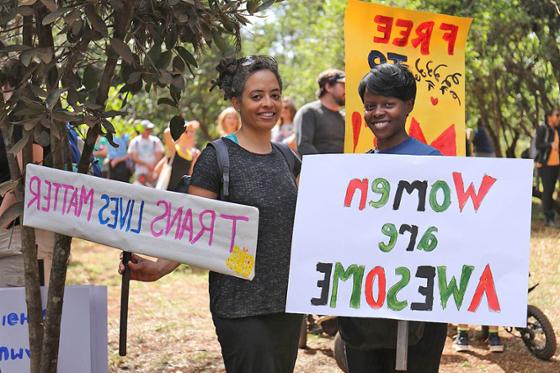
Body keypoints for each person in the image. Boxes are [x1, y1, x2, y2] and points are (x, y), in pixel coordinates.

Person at [119, 55, 303, 373]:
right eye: (256, 96)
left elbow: (310, 222)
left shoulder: (288, 157)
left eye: (275, 94)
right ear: (236, 101)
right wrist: (160, 267)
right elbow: (194, 227)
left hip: (287, 303)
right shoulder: (216, 157)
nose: (268, 104)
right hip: (238, 305)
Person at [337, 63, 445, 373]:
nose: (378, 113)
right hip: (364, 310)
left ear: (408, 105)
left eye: (388, 104)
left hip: (419, 313)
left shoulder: (432, 162)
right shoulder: (355, 171)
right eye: (370, 106)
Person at [295, 68, 345, 155]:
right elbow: (304, 146)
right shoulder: (309, 112)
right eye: (343, 86)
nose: (347, 90)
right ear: (328, 86)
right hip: (317, 168)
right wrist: (325, 167)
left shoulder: (343, 117)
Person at [535, 107, 560, 227]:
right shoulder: (543, 129)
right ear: (549, 117)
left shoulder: (555, 130)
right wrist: (550, 145)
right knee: (547, 191)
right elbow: (538, 145)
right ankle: (547, 218)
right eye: (557, 115)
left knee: (551, 191)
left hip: (556, 165)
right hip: (545, 165)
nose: (558, 118)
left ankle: (552, 216)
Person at [128, 120, 164, 186]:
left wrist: (152, 165)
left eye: (150, 129)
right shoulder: (135, 141)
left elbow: (160, 154)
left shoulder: (155, 140)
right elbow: (134, 156)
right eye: (147, 129)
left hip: (154, 173)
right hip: (141, 173)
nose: (149, 131)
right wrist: (146, 164)